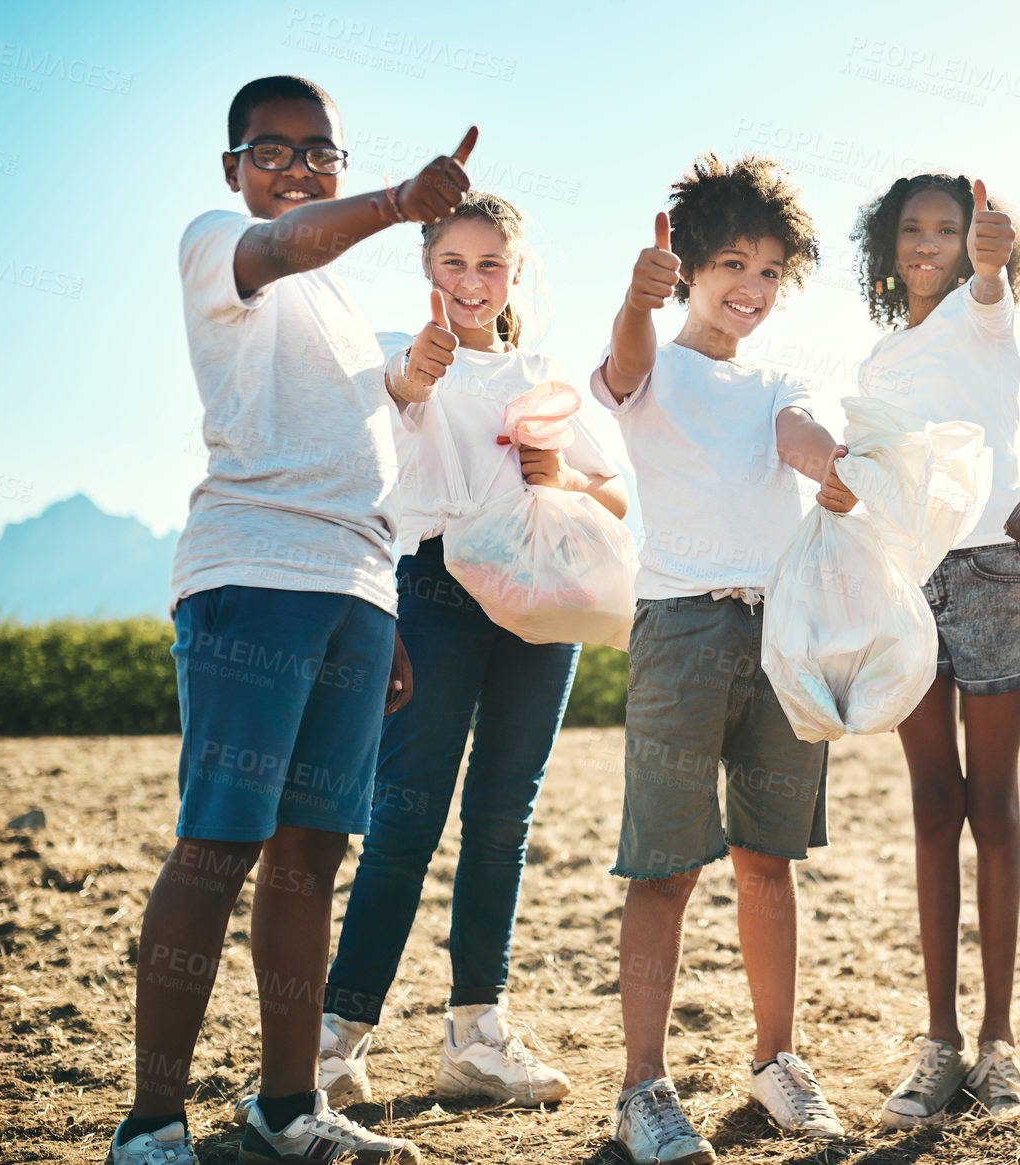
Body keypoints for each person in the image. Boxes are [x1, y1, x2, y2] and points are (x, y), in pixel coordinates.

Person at [106, 74, 476, 1165]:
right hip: (251, 575)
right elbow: (294, 243)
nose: (299, 168)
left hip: (354, 589)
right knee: (216, 847)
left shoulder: (349, 311)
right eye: (274, 149)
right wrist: (401, 201)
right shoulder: (221, 241)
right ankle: (151, 1122)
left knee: (311, 852)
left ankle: (284, 1107)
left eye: (322, 152)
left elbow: (365, 458)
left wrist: (385, 606)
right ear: (234, 167)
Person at [315, 192, 626, 1110]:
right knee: (404, 817)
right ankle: (337, 1037)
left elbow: (610, 500)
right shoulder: (398, 354)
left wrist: (560, 474)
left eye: (490, 264)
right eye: (454, 262)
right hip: (433, 595)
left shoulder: (542, 372)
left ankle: (475, 1034)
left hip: (539, 603)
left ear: (515, 273)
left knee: (502, 819)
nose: (472, 281)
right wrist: (417, 371)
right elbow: (400, 398)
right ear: (426, 268)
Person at [593, 153, 855, 1165]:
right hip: (679, 632)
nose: (749, 288)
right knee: (663, 868)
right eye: (732, 265)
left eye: (770, 273)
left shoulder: (779, 378)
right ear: (689, 266)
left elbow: (798, 432)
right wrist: (634, 297)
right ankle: (642, 1089)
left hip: (780, 631)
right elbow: (620, 368)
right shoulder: (653, 362)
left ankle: (775, 1058)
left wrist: (836, 466)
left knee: (767, 863)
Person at [849, 173, 1020, 1127]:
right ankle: (941, 1040)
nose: (929, 241)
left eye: (948, 228)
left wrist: (990, 266)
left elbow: (992, 292)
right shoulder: (880, 360)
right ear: (887, 248)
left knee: (994, 803)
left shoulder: (982, 315)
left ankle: (1000, 1043)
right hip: (904, 580)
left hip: (994, 573)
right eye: (911, 230)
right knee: (933, 803)